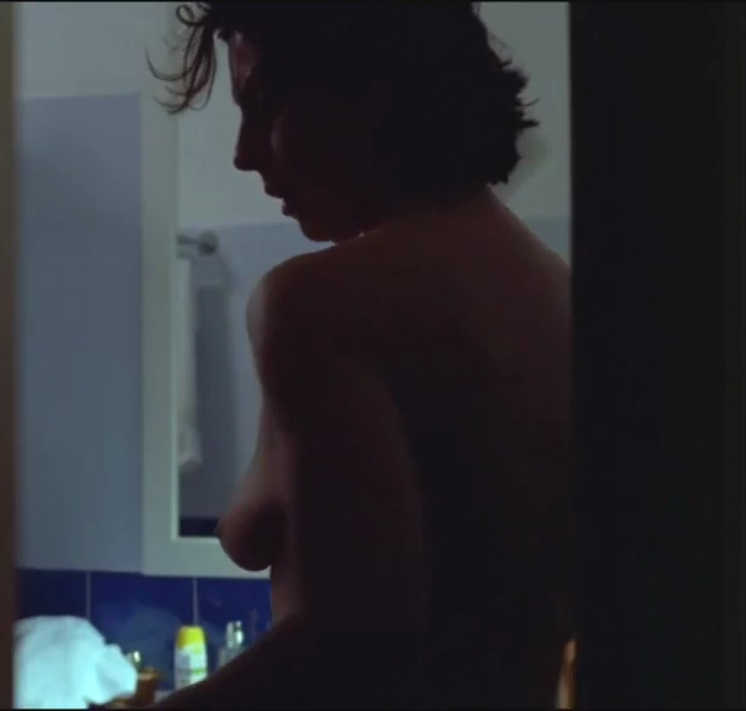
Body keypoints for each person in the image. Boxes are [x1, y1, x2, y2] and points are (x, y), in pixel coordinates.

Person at [151, 3, 572, 708]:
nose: (243, 153)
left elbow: (348, 647)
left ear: (370, 89)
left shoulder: (320, 303)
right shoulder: (555, 289)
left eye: (264, 105)